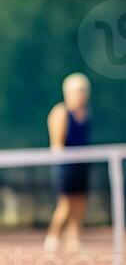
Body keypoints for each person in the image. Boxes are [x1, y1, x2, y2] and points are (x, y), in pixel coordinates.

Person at [44, 72, 92, 255]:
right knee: (65, 204)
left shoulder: (86, 114)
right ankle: (53, 238)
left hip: (82, 164)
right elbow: (57, 143)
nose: (81, 94)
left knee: (80, 202)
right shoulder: (61, 112)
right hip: (65, 166)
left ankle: (74, 240)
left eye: (84, 91)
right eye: (78, 91)